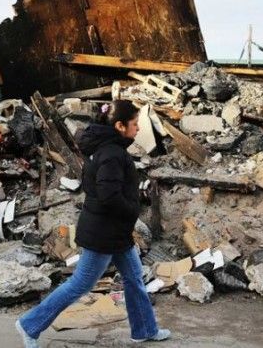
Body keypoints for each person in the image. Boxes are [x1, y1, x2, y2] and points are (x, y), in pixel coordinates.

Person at [15, 100, 171, 347]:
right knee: (80, 284)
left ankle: (144, 329)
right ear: (119, 126)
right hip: (104, 233)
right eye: (134, 123)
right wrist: (132, 209)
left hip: (115, 231)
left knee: (134, 278)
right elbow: (109, 196)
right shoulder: (111, 154)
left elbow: (97, 189)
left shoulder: (107, 149)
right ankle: (29, 325)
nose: (138, 128)